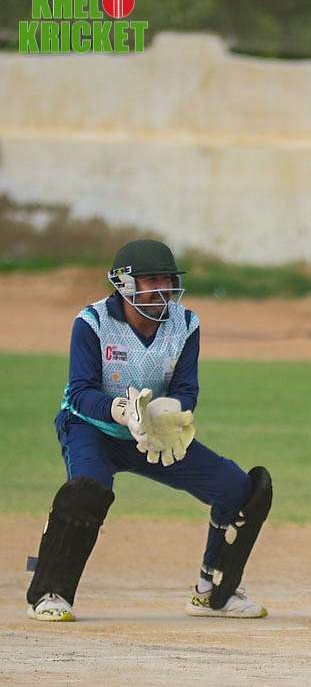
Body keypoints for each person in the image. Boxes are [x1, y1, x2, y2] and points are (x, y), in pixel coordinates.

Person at [27, 239, 272, 622]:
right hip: (90, 427)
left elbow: (186, 389)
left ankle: (213, 594)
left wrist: (167, 412)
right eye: (152, 280)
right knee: (87, 491)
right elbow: (80, 392)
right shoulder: (92, 322)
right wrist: (121, 411)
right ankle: (49, 593)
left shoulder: (185, 324)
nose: (163, 289)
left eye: (168, 280)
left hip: (151, 433)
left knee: (238, 489)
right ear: (124, 283)